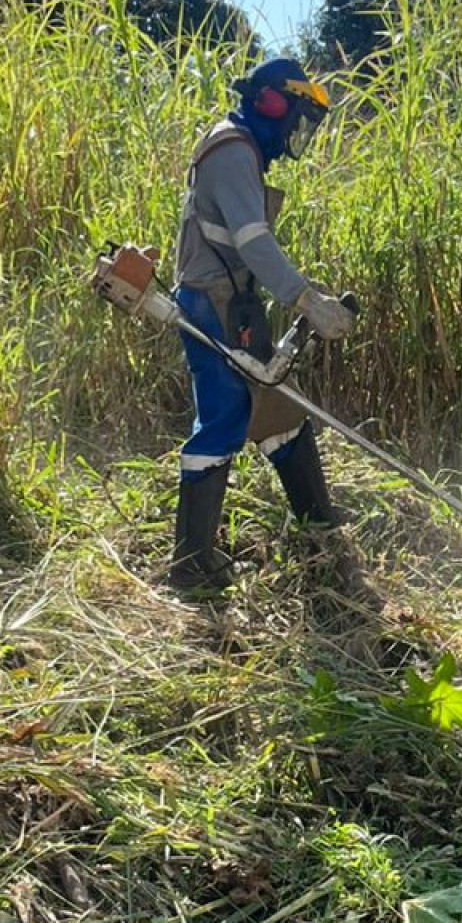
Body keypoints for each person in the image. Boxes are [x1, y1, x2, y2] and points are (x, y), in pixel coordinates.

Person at [168, 56, 357, 594]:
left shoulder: (242, 149)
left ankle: (319, 523)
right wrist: (304, 298)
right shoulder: (231, 149)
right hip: (213, 302)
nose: (295, 133)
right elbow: (253, 240)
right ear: (272, 103)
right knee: (224, 421)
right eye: (294, 116)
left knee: (278, 408)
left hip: (235, 300)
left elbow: (247, 246)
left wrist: (298, 292)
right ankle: (191, 564)